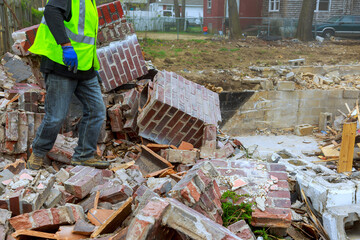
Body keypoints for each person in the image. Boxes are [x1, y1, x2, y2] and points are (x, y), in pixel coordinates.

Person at [27, 0, 109, 169]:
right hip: (61, 63)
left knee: (97, 111)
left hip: (85, 68)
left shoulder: (90, 2)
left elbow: (86, 39)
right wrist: (65, 45)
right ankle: (38, 154)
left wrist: (93, 66)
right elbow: (51, 12)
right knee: (56, 116)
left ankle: (84, 156)